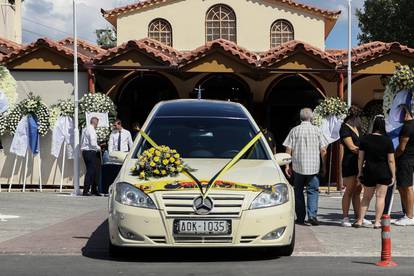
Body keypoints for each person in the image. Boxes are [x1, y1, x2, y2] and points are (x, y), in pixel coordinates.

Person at [283, 108, 328, 226]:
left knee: (298, 192)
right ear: (311, 117)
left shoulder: (294, 130)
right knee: (313, 191)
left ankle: (301, 217)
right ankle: (312, 215)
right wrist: (324, 166)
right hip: (313, 167)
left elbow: (288, 149)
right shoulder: (317, 131)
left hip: (298, 167)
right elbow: (323, 150)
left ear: (300, 117)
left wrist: (287, 165)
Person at [353, 116, 396, 228]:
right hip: (383, 171)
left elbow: (360, 158)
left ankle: (360, 220)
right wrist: (393, 174)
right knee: (380, 197)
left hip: (369, 171)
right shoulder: (387, 141)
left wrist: (360, 172)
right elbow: (391, 160)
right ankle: (377, 222)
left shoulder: (365, 139)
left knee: (366, 197)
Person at [339, 108, 370, 227]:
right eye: (359, 119)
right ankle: (345, 217)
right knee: (349, 190)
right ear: (354, 118)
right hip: (349, 162)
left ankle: (359, 216)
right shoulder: (344, 128)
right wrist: (366, 151)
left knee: (358, 190)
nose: (361, 121)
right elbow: (351, 147)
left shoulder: (358, 129)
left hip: (358, 162)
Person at [394, 105, 414, 226]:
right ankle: (407, 213)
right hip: (410, 158)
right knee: (404, 187)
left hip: (405, 159)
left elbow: (401, 147)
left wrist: (393, 156)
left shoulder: (407, 126)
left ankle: (410, 215)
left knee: (407, 187)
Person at [81, 117, 101, 196]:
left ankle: (93, 189)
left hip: (85, 152)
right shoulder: (91, 130)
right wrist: (98, 147)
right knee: (91, 171)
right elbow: (93, 143)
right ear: (95, 123)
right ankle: (86, 190)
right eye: (97, 123)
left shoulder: (85, 129)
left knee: (93, 171)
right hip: (90, 152)